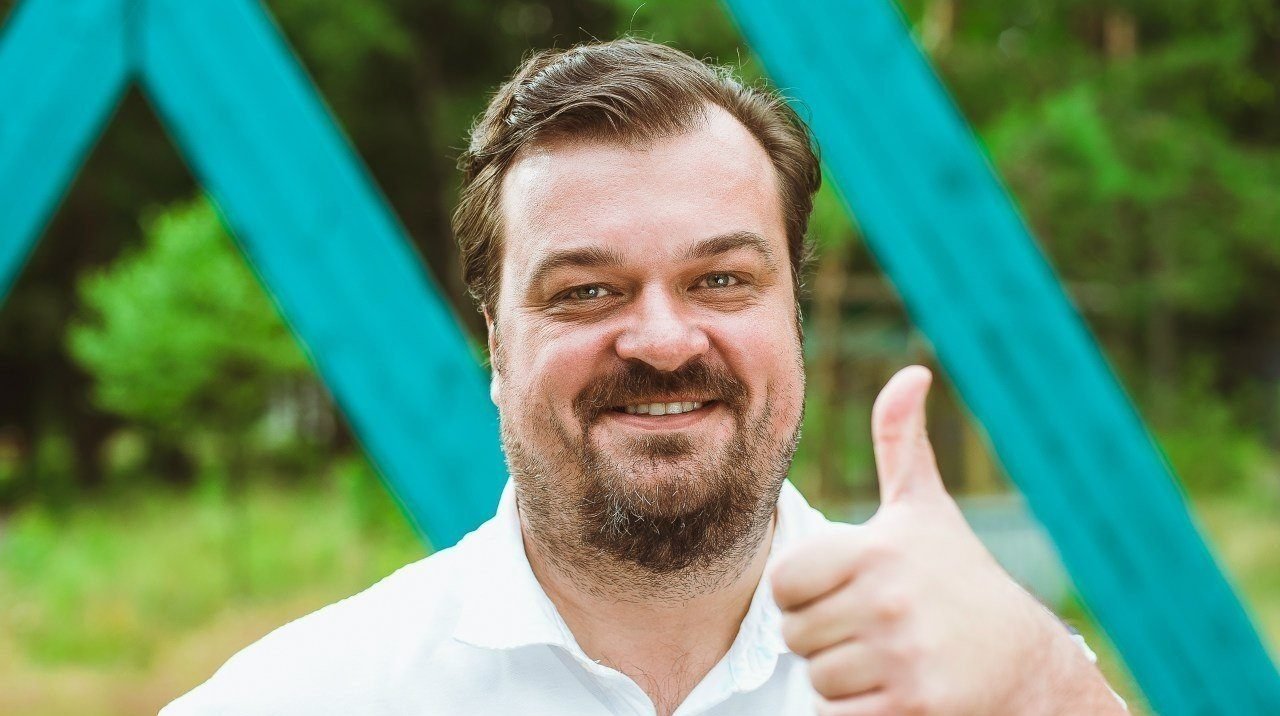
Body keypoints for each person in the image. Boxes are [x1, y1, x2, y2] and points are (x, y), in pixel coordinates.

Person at [163, 38, 1125, 716]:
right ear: (496, 341)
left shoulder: (986, 681)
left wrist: (1047, 689)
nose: (664, 342)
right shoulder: (301, 698)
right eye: (586, 291)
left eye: (721, 280)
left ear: (791, 313)